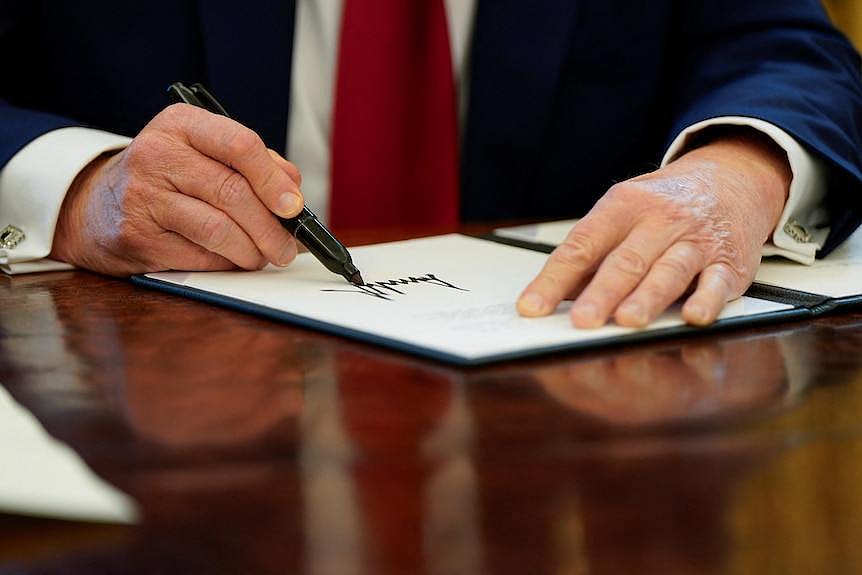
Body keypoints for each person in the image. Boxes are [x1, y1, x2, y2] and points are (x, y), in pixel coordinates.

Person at [1, 1, 860, 329]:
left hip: (572, 401)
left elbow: (780, 49)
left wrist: (736, 172)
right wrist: (78, 186)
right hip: (156, 403)